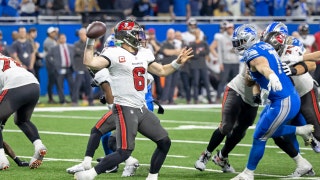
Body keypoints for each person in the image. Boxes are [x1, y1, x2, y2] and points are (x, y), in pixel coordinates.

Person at [73, 19, 193, 180]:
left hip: (141, 107)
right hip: (124, 107)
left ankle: (152, 176)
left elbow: (162, 71)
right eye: (136, 33)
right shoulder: (113, 53)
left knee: (164, 142)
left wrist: (177, 63)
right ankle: (89, 174)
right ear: (126, 36)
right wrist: (90, 40)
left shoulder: (144, 52)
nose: (140, 36)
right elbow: (90, 62)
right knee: (124, 151)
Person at [230, 24, 314, 180]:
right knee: (264, 130)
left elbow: (262, 65)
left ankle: (248, 173)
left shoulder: (252, 53)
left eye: (240, 42)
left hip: (283, 100)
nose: (237, 45)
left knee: (260, 136)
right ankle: (301, 151)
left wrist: (271, 76)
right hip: (283, 97)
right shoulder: (264, 45)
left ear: (248, 40)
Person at [261, 21, 320, 153]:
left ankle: (312, 137)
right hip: (285, 97)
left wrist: (293, 70)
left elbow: (311, 64)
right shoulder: (262, 49)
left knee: (317, 130)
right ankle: (302, 164)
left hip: (303, 91)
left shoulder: (292, 47)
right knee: (277, 132)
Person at [0, 53, 47, 170]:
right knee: (22, 120)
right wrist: (17, 160)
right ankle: (38, 146)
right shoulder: (6, 58)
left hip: (15, 85)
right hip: (34, 84)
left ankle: (1, 159)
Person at [46, 33, 74, 104]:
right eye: (61, 38)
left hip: (69, 69)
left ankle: (73, 99)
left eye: (64, 38)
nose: (63, 39)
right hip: (59, 69)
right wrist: (55, 64)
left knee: (72, 84)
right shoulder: (54, 48)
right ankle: (62, 100)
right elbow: (48, 57)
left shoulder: (71, 47)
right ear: (58, 39)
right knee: (60, 85)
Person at [72, 28, 94, 106]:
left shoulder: (89, 44)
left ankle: (91, 101)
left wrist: (82, 52)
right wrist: (85, 52)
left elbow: (91, 53)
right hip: (79, 68)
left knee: (89, 85)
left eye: (83, 34)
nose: (82, 36)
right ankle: (74, 101)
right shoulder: (76, 44)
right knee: (77, 85)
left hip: (88, 68)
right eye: (80, 34)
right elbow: (77, 52)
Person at [43, 26, 59, 104]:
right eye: (53, 32)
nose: (54, 34)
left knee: (56, 81)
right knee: (51, 81)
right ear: (49, 33)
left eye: (55, 32)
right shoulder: (48, 41)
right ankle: (50, 98)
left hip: (54, 63)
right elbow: (51, 54)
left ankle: (57, 97)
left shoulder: (53, 40)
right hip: (51, 64)